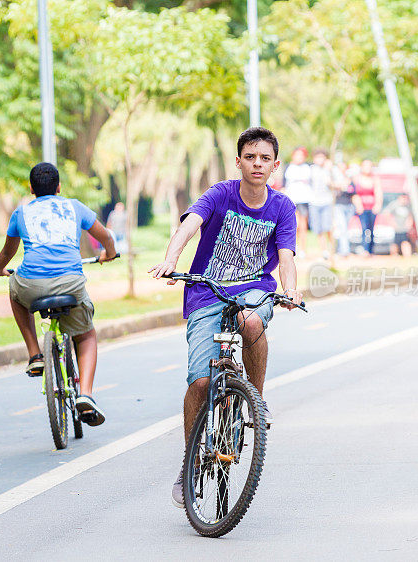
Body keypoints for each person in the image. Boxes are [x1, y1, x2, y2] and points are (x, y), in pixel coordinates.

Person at [149, 127, 303, 509]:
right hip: (206, 289)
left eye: (264, 158)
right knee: (200, 383)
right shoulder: (220, 193)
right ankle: (189, 466)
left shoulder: (282, 206)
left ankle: (256, 398)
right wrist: (171, 260)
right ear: (238, 161)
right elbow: (190, 226)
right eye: (250, 157)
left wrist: (290, 289)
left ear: (275, 165)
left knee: (251, 322)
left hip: (254, 288)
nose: (257, 164)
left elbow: (286, 256)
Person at [0, 163, 116, 426]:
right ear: (59, 188)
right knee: (86, 335)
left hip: (32, 284)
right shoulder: (74, 207)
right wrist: (109, 253)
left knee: (14, 291)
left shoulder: (21, 213)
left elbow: (7, 253)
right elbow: (105, 237)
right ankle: (86, 394)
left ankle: (36, 354)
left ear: (32, 189)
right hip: (70, 282)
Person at [282, 146, 312, 258]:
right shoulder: (288, 167)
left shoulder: (308, 167)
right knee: (294, 225)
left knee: (303, 225)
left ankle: (303, 249)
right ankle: (293, 247)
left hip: (304, 199)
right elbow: (284, 184)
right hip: (291, 199)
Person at [352, 159, 383, 255]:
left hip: (372, 208)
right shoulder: (357, 178)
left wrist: (378, 205)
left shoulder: (375, 179)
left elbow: (378, 193)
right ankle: (365, 249)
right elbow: (354, 193)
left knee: (371, 229)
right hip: (362, 208)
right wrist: (358, 205)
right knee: (364, 229)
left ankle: (371, 250)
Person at [308, 149, 335, 260]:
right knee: (318, 229)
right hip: (314, 201)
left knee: (328, 227)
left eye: (322, 157)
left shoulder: (329, 169)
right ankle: (324, 251)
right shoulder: (311, 170)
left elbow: (333, 183)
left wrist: (329, 170)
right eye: (317, 157)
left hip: (327, 201)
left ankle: (333, 250)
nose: (320, 159)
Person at [331, 159, 356, 257]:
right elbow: (335, 186)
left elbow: (354, 193)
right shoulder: (336, 178)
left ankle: (341, 249)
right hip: (339, 205)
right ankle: (344, 251)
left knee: (344, 228)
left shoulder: (350, 179)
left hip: (349, 206)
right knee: (342, 227)